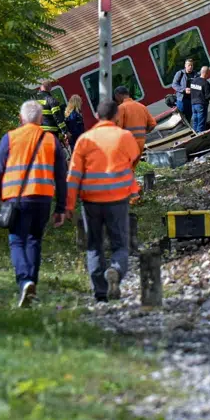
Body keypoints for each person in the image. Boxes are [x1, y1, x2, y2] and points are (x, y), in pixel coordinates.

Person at [0, 100, 69, 307]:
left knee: (17, 240)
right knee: (34, 240)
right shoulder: (51, 141)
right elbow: (61, 177)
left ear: (20, 118)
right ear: (41, 119)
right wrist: (61, 207)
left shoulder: (10, 138)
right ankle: (31, 287)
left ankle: (25, 281)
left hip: (15, 198)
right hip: (42, 198)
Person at [66, 100, 140, 302]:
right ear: (116, 116)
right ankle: (115, 270)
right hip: (117, 198)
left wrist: (69, 205)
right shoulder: (124, 136)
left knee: (94, 245)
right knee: (120, 244)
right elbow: (133, 158)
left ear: (97, 116)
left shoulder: (84, 139)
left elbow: (73, 175)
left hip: (90, 200)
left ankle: (100, 292)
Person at [113, 85, 157, 160]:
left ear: (118, 95)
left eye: (115, 97)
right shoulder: (141, 106)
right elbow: (153, 124)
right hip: (141, 142)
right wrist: (144, 133)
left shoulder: (121, 108)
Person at [171, 58, 196, 124]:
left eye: (192, 65)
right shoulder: (180, 73)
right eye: (189, 65)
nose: (190, 67)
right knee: (180, 118)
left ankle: (189, 130)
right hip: (181, 100)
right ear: (185, 65)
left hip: (191, 100)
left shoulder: (195, 74)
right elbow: (174, 85)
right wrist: (184, 90)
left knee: (189, 117)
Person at [189, 66, 210, 133]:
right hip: (201, 105)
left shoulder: (193, 81)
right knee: (201, 123)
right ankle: (200, 136)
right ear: (207, 73)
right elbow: (208, 96)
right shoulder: (205, 83)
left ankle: (194, 134)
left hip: (193, 105)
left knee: (195, 122)